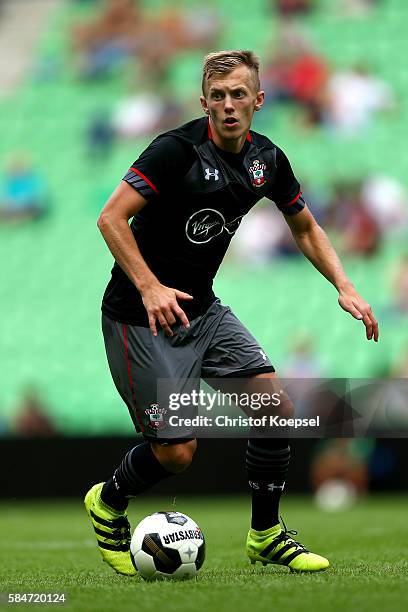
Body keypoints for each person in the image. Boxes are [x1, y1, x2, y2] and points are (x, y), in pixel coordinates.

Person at [84, 50, 379, 576]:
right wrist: (150, 287)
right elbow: (111, 219)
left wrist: (345, 284)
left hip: (203, 310)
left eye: (238, 94)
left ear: (258, 101)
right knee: (177, 453)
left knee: (275, 407)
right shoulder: (173, 151)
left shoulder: (267, 160)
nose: (228, 105)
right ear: (203, 103)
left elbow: (305, 226)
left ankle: (265, 534)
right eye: (217, 96)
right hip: (140, 316)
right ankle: (108, 501)